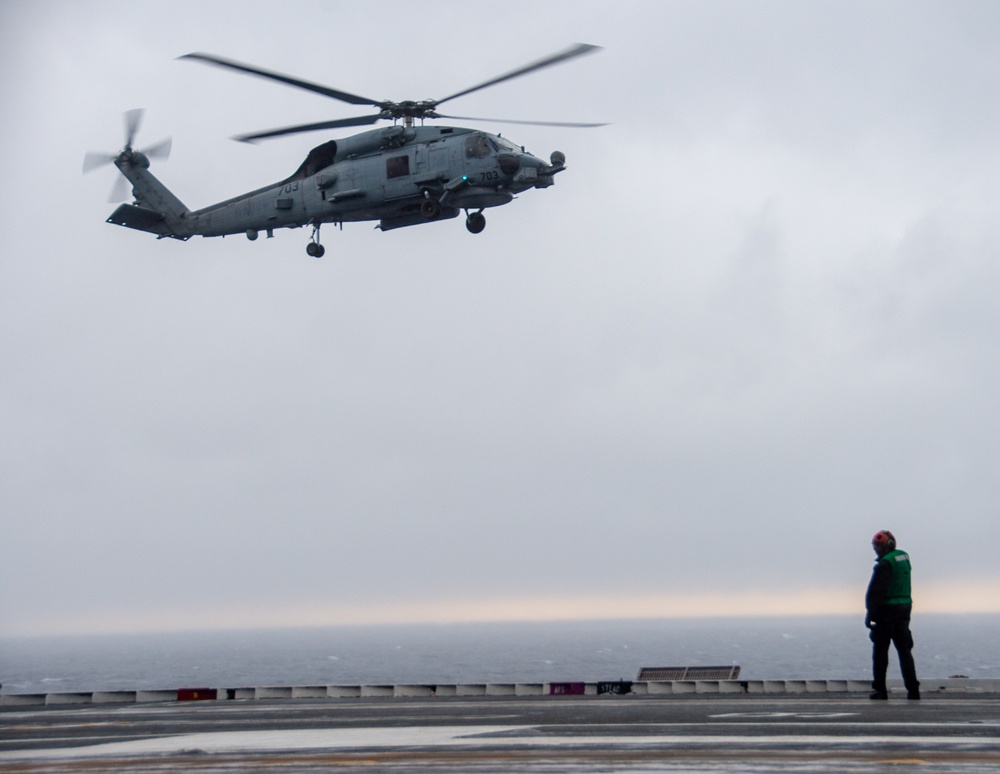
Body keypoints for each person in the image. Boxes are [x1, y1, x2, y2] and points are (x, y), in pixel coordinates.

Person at [865, 530, 920, 700]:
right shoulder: (903, 558)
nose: (876, 550)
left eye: (878, 546)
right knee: (904, 650)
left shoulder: (884, 564)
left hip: (886, 611)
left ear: (886, 546)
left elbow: (875, 592)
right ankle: (913, 689)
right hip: (905, 608)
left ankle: (880, 690)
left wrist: (870, 614)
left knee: (881, 651)